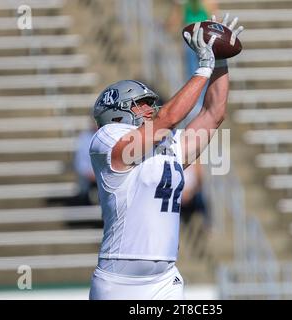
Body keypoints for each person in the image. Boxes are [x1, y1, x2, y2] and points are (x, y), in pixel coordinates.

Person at [88, 15, 244, 299]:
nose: (152, 109)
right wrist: (204, 67)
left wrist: (220, 60)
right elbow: (170, 118)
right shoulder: (107, 140)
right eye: (143, 105)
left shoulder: (167, 144)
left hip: (165, 280)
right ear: (117, 110)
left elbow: (213, 113)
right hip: (119, 282)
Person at [167, 0, 219, 126]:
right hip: (191, 40)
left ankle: (200, 104)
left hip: (203, 40)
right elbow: (176, 18)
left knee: (203, 73)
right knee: (193, 73)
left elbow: (213, 16)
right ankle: (195, 105)